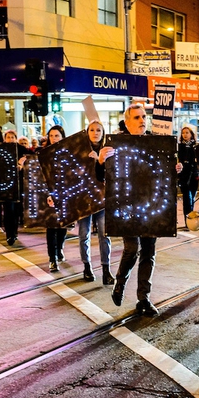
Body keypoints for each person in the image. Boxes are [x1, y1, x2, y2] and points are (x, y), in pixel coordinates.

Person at [99, 104, 182, 316]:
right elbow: (100, 177)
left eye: (144, 116)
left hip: (151, 207)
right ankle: (120, 282)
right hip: (127, 208)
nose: (142, 120)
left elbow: (164, 175)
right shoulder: (115, 144)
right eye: (136, 117)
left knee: (149, 252)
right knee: (132, 249)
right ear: (127, 122)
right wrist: (101, 161)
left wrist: (175, 169)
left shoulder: (156, 143)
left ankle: (143, 298)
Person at [77, 120, 114, 284]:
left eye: (98, 130)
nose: (95, 133)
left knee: (104, 235)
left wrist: (101, 160)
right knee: (83, 234)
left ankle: (106, 270)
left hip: (102, 199)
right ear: (87, 132)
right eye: (92, 130)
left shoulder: (108, 151)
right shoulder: (80, 150)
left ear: (103, 132)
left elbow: (112, 174)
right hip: (84, 199)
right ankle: (87, 267)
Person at [45, 125, 69, 271]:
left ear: (62, 137)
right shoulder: (44, 153)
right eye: (51, 136)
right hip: (49, 195)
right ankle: (52, 258)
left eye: (57, 136)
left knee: (63, 226)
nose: (54, 139)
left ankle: (59, 247)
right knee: (51, 227)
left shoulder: (67, 153)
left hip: (65, 194)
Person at [2, 129, 31, 245]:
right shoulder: (1, 149)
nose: (10, 139)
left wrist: (23, 163)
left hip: (19, 184)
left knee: (17, 210)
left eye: (12, 137)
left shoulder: (22, 149)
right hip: (6, 185)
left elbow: (31, 161)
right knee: (8, 210)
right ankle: (9, 234)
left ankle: (14, 232)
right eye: (8, 137)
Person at [177, 124, 199, 228]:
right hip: (184, 175)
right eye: (183, 133)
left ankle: (191, 221)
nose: (185, 135)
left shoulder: (195, 146)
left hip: (194, 175)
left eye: (187, 133)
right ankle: (188, 222)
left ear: (191, 134)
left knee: (192, 198)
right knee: (187, 198)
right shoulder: (180, 147)